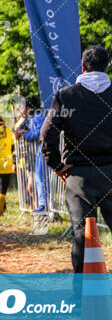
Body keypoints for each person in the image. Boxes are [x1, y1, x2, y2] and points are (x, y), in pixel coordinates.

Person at [41, 45, 112, 273]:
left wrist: (57, 165)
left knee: (83, 234)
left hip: (79, 176)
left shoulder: (66, 95)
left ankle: (83, 292)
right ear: (106, 67)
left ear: (82, 67)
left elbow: (47, 133)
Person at [20, 96, 47, 213]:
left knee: (41, 178)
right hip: (38, 150)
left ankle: (44, 204)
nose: (21, 110)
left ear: (29, 107)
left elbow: (40, 133)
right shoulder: (33, 117)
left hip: (43, 150)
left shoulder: (38, 117)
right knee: (39, 177)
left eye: (22, 107)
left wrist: (25, 135)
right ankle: (43, 204)